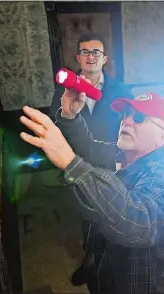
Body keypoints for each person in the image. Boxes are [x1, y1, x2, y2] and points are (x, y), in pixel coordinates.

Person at [20, 87, 164, 293]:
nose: (127, 121)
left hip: (137, 283)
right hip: (108, 267)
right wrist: (70, 116)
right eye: (126, 115)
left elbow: (138, 222)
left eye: (139, 117)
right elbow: (89, 147)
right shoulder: (126, 153)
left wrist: (71, 163)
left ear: (162, 135)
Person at [49, 32, 133, 286]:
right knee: (88, 215)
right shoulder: (65, 90)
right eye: (85, 52)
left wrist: (125, 157)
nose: (90, 56)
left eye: (96, 52)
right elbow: (58, 126)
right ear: (78, 57)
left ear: (104, 58)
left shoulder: (121, 90)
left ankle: (118, 261)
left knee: (116, 212)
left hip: (112, 162)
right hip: (81, 163)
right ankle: (91, 260)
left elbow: (130, 126)